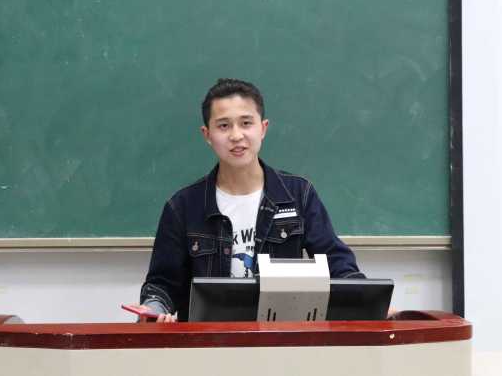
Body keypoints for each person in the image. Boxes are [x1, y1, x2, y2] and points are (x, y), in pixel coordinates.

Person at [136, 78, 364, 322]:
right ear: (207, 134)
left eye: (246, 123)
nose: (236, 135)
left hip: (279, 336)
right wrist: (153, 309)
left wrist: (367, 303)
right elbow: (162, 285)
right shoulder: (182, 206)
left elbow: (337, 263)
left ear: (263, 128)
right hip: (208, 340)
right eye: (224, 126)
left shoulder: (298, 194)